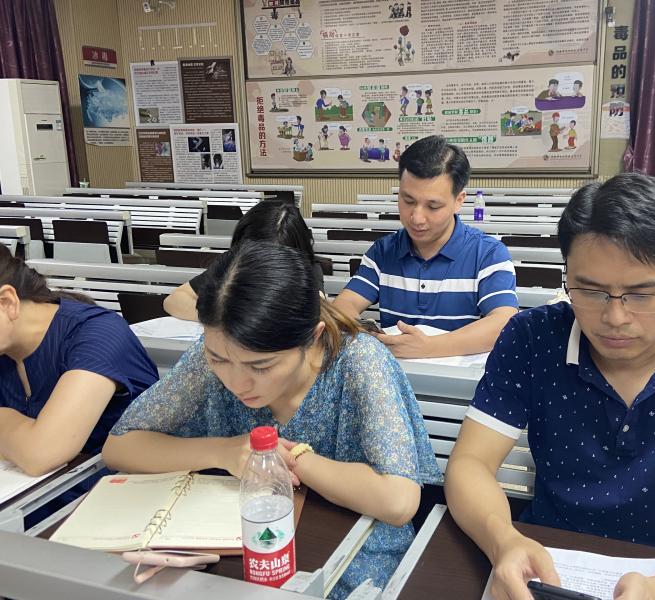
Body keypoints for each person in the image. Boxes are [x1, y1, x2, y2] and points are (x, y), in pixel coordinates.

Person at [445, 172, 655, 600]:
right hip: (550, 564)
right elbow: (470, 463)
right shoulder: (532, 338)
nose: (615, 318)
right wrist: (504, 541)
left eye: (642, 295)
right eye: (590, 291)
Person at [103, 242, 441, 599]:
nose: (237, 383)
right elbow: (120, 446)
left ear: (313, 337)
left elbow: (398, 500)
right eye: (219, 359)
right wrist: (224, 451)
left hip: (347, 554)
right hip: (244, 547)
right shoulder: (214, 354)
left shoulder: (359, 360)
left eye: (261, 366)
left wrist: (284, 459)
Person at [334, 135, 518, 359]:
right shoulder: (383, 252)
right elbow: (345, 305)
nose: (417, 218)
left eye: (433, 206)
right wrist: (361, 333)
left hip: (455, 378)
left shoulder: (487, 254)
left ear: (459, 201)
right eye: (408, 201)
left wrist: (429, 347)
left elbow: (503, 322)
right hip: (393, 374)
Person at [0, 245, 158, 476]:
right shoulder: (6, 344)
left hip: (116, 487)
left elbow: (41, 453)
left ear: (7, 302)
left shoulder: (98, 334)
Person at [163, 200, 324, 321]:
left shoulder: (308, 270)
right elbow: (174, 299)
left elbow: (318, 312)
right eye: (257, 258)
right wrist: (219, 319)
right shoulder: (233, 264)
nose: (267, 268)